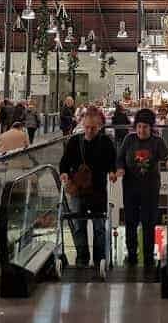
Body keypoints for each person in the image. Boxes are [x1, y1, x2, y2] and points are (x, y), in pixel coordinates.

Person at [114, 108, 168, 269]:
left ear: (151, 128)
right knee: (130, 222)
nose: (141, 130)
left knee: (149, 223)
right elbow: (119, 158)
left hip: (150, 190)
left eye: (145, 127)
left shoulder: (157, 141)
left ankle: (148, 256)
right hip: (130, 188)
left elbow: (166, 155)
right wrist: (119, 169)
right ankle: (132, 254)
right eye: (139, 127)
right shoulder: (129, 139)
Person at [59, 106, 116, 270]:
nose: (90, 130)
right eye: (87, 127)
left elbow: (112, 161)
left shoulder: (105, 142)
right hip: (78, 189)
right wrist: (63, 173)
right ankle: (82, 257)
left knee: (99, 225)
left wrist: (112, 172)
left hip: (98, 190)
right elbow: (64, 162)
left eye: (94, 127)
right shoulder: (74, 141)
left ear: (99, 126)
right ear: (82, 125)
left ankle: (99, 259)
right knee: (78, 226)